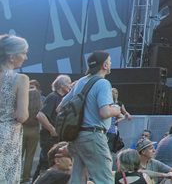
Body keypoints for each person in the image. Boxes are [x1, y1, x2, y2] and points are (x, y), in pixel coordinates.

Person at [58, 50, 122, 184]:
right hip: (94, 136)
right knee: (105, 179)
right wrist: (116, 109)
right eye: (109, 61)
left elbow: (60, 107)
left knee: (77, 178)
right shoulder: (103, 83)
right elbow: (104, 112)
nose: (111, 63)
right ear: (104, 65)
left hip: (76, 137)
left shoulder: (81, 82)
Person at [0, 34, 30, 183]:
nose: (26, 57)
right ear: (12, 57)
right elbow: (22, 116)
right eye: (24, 53)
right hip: (7, 137)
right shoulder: (20, 79)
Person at [34, 75, 72, 180]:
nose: (70, 85)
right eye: (68, 83)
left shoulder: (62, 98)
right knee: (45, 165)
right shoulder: (53, 97)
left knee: (48, 165)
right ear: (62, 85)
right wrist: (52, 129)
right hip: (50, 139)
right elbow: (40, 115)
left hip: (57, 138)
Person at [23, 79, 44, 182]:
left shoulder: (22, 99)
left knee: (18, 155)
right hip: (35, 129)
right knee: (29, 156)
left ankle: (15, 176)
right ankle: (25, 177)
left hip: (22, 129)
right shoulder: (41, 100)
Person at [107, 87, 132, 155]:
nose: (114, 94)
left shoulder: (118, 104)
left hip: (112, 128)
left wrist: (118, 120)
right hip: (107, 127)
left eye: (116, 93)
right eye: (113, 92)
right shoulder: (107, 103)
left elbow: (124, 113)